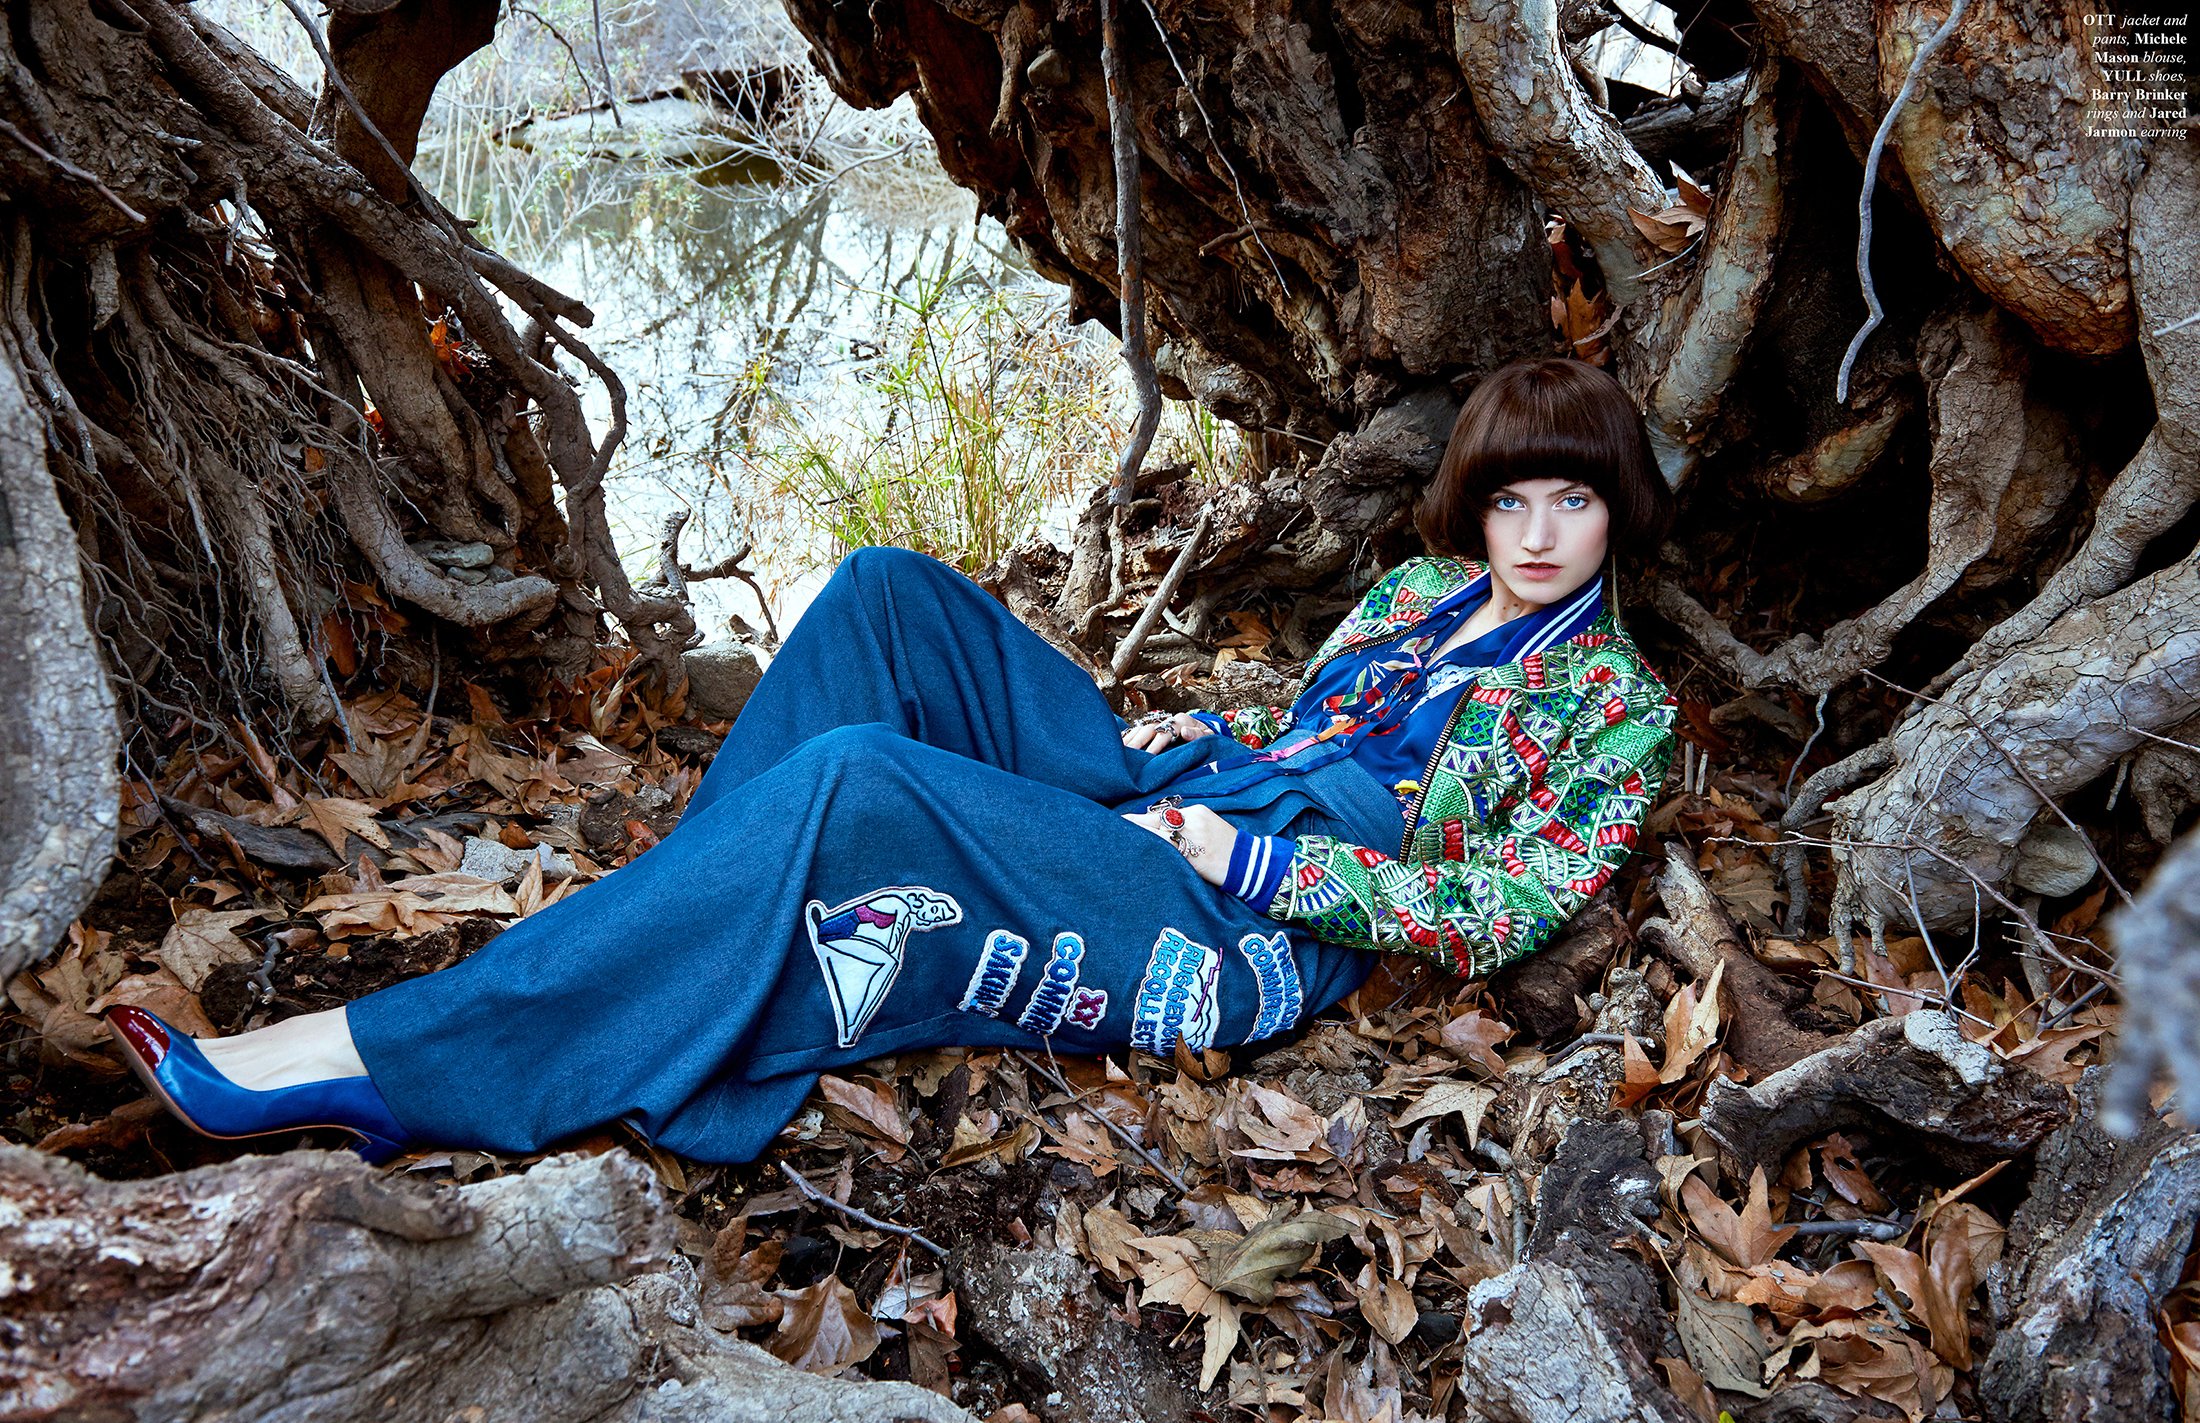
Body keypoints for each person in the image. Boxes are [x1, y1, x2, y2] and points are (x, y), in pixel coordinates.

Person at [104, 357, 1679, 1165]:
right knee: (881, 595)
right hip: (1189, 799)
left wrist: (1254, 860)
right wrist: (1214, 743)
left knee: (863, 777)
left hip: (1250, 919)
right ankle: (685, 919)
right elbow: (1324, 726)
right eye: (1512, 502)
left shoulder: (1617, 709)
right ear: (1474, 507)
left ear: (1618, 513)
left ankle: (388, 1060)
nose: (1538, 537)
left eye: (1574, 504)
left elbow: (1493, 911)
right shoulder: (1420, 595)